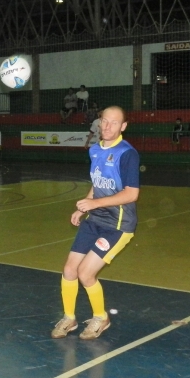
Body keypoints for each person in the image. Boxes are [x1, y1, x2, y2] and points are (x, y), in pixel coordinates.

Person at [51, 106, 139, 340]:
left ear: (123, 126)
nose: (107, 126)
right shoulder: (95, 150)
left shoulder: (127, 154)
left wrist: (95, 204)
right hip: (95, 219)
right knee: (69, 269)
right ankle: (69, 318)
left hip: (118, 225)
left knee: (85, 274)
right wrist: (85, 205)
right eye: (104, 121)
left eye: (114, 122)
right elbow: (98, 183)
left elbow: (131, 194)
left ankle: (101, 317)